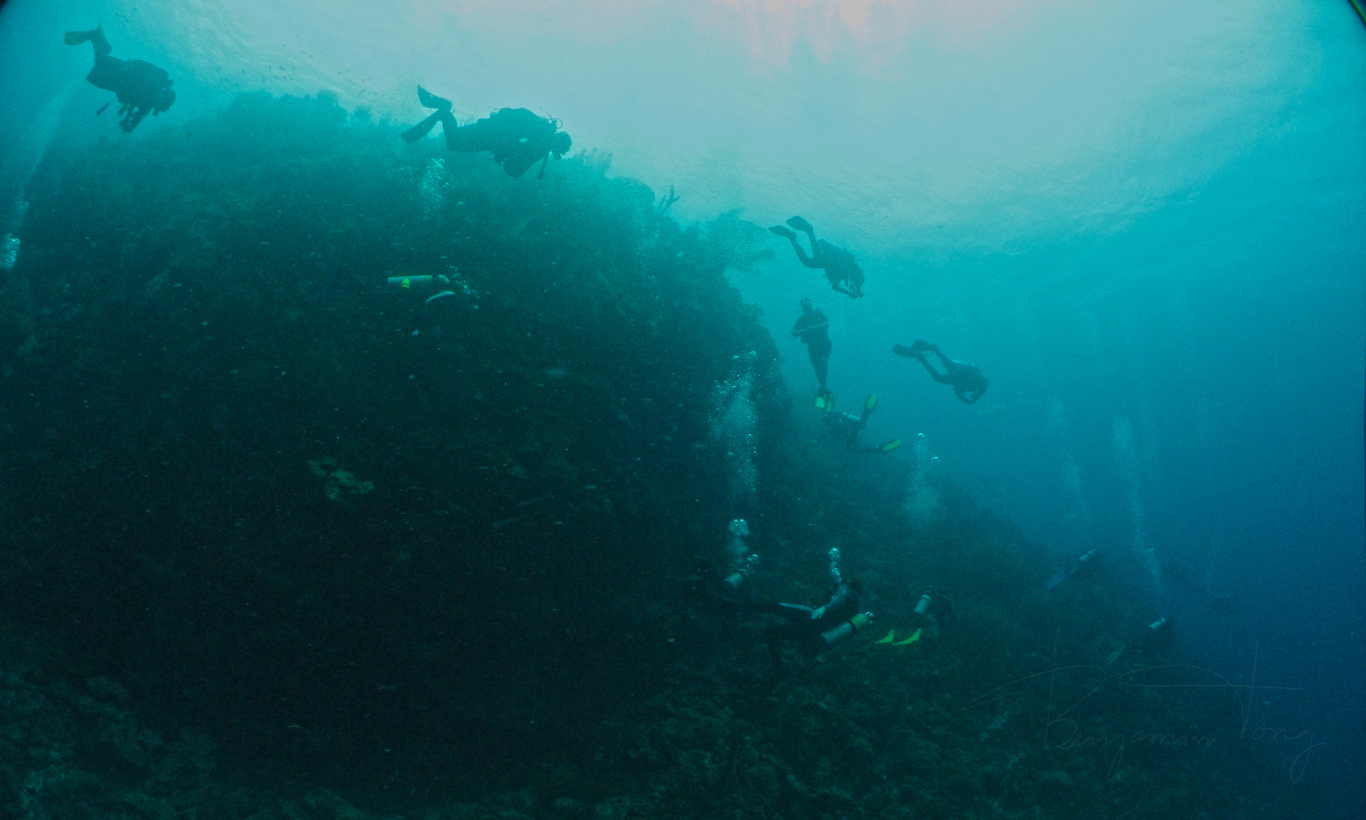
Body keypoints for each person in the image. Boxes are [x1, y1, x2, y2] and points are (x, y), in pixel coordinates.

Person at [401, 86, 572, 179]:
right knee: (453, 142)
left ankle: (440, 112)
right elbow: (513, 170)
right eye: (560, 150)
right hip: (487, 137)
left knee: (454, 141)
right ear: (558, 145)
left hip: (487, 132)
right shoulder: (540, 144)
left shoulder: (540, 135)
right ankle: (444, 109)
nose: (557, 152)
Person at [749, 578, 869, 678]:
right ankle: (778, 669)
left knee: (775, 607)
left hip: (811, 621)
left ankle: (740, 606)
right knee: (772, 631)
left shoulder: (846, 592)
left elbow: (836, 602)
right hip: (813, 635)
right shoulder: (853, 608)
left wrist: (824, 607)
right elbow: (834, 612)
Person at [64, 25, 175, 133]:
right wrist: (132, 64)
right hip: (123, 71)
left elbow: (132, 125)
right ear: (164, 97)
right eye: (161, 104)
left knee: (93, 76)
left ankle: (98, 38)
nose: (156, 106)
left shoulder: (147, 106)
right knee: (101, 61)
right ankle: (96, 36)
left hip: (117, 84)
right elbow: (144, 66)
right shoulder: (160, 80)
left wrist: (128, 123)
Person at [770, 217, 864, 298]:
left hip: (830, 259)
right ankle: (805, 233)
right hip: (833, 257)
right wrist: (853, 292)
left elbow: (835, 286)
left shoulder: (845, 275)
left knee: (807, 262)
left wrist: (851, 292)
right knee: (812, 259)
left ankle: (794, 236)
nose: (852, 283)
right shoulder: (851, 274)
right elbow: (841, 284)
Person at [893, 340, 989, 404]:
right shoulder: (978, 386)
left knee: (946, 365)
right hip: (960, 374)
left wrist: (965, 397)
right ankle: (924, 356)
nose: (973, 394)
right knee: (940, 374)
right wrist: (967, 398)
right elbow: (963, 389)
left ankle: (931, 352)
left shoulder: (976, 386)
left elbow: (961, 390)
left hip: (959, 372)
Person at [824, 394, 901, 453]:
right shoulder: (839, 417)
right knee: (860, 422)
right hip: (849, 428)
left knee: (860, 423)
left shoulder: (838, 417)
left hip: (849, 428)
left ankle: (877, 448)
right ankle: (877, 448)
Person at [790, 298, 832, 404]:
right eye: (805, 305)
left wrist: (811, 328)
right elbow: (793, 332)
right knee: (817, 367)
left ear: (811, 305)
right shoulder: (801, 320)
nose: (807, 307)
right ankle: (823, 388)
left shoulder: (818, 314)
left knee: (822, 363)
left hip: (824, 344)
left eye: (808, 304)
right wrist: (801, 331)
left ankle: (824, 387)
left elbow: (826, 323)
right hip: (812, 347)